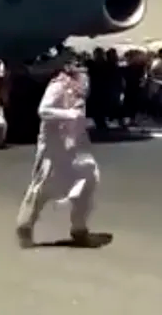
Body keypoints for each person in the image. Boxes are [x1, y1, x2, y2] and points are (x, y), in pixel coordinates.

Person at [15, 59, 100, 247]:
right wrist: (69, 115)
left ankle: (79, 229)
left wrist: (82, 122)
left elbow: (78, 112)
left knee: (88, 178)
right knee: (44, 185)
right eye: (80, 69)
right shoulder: (58, 86)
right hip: (54, 145)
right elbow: (43, 110)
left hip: (76, 144)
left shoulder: (79, 89)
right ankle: (25, 225)